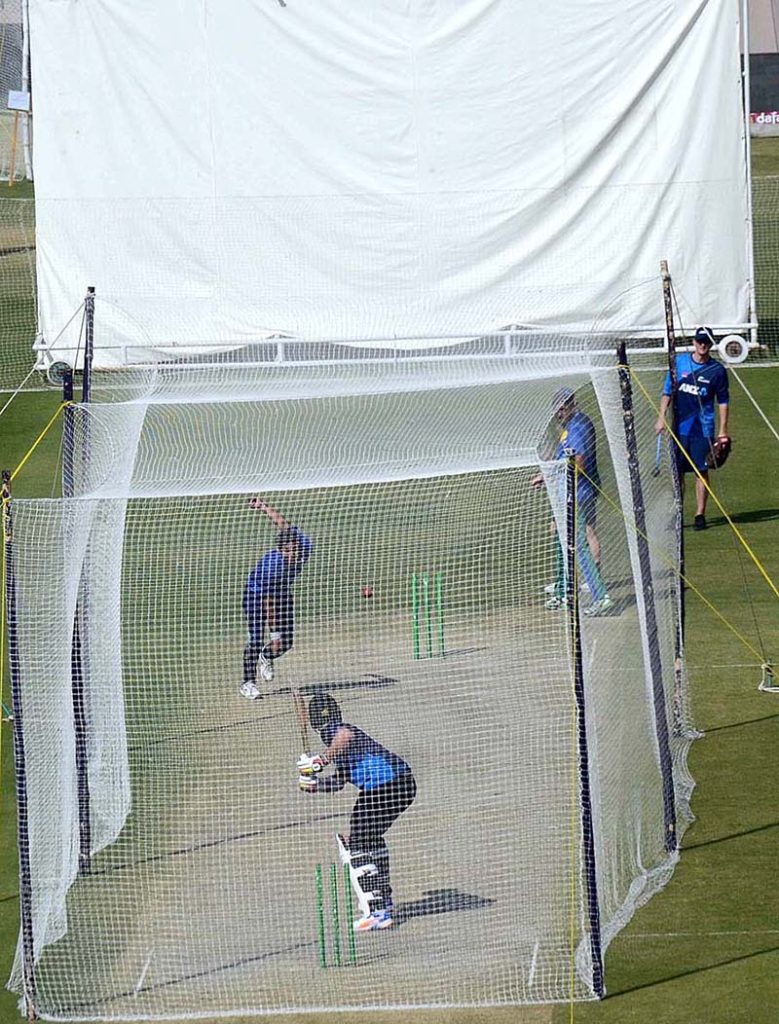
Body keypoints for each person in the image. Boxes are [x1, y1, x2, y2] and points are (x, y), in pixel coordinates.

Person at [297, 692, 417, 933]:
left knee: (358, 842)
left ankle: (377, 912)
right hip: (402, 783)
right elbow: (340, 781)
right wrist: (315, 786)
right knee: (368, 838)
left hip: (387, 784)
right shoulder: (335, 740)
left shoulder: (335, 731)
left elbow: (345, 736)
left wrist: (321, 760)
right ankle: (384, 901)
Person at [532, 387, 612, 616]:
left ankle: (599, 594)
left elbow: (579, 462)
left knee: (580, 540)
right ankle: (564, 589)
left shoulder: (578, 425)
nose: (558, 414)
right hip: (569, 493)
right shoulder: (568, 427)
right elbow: (562, 458)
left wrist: (557, 476)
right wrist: (545, 477)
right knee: (564, 535)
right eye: (556, 410)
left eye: (561, 409)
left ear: (570, 404)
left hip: (578, 493)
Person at [655, 326, 730, 531]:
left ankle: (700, 514)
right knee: (677, 473)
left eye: (706, 341)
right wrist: (661, 418)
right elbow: (667, 392)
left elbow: (723, 402)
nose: (702, 345)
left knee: (701, 471)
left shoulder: (717, 371)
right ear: (694, 342)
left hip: (703, 430)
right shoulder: (679, 363)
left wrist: (723, 430)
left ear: (711, 343)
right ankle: (678, 513)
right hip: (679, 429)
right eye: (699, 341)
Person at [240, 497, 312, 700]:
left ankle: (267, 656)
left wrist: (263, 507)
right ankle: (248, 683)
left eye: (295, 549)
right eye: (288, 551)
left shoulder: (305, 547)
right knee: (256, 639)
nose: (293, 554)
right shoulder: (272, 568)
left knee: (287, 642)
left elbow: (283, 525)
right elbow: (268, 604)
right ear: (281, 551)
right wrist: (274, 634)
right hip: (257, 595)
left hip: (281, 591)